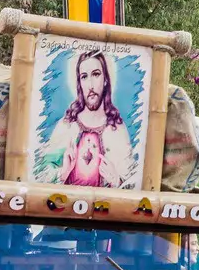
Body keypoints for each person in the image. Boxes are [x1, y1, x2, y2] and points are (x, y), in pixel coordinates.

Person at [37, 48, 137, 188]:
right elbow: (40, 174)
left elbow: (133, 183)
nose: (90, 85)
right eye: (84, 77)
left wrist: (117, 181)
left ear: (105, 80)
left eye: (96, 74)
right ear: (79, 83)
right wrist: (62, 173)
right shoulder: (67, 125)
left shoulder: (117, 129)